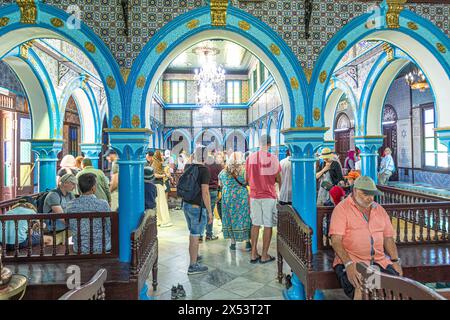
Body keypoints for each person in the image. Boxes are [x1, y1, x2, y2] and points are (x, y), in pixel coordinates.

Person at [329, 176, 402, 300]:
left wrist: (395, 261)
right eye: (366, 194)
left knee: (397, 287)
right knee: (364, 288)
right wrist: (348, 264)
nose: (370, 198)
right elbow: (336, 241)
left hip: (379, 262)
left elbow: (388, 238)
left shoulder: (379, 210)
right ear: (356, 191)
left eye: (372, 195)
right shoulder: (342, 209)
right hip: (354, 262)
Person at [246, 134, 281, 264]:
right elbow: (277, 177)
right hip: (268, 195)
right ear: (269, 144)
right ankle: (264, 255)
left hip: (254, 195)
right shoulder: (273, 158)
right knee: (268, 225)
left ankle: (253, 253)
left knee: (255, 224)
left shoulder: (250, 158)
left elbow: (246, 179)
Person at [180, 146, 213, 275]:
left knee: (192, 233)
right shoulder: (204, 170)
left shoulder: (188, 166)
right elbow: (205, 192)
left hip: (186, 205)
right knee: (195, 235)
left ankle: (195, 255)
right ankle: (192, 266)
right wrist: (210, 211)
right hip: (197, 208)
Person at [66, 173, 111, 254]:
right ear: (93, 188)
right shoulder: (103, 204)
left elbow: (70, 225)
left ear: (79, 188)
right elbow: (109, 226)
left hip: (80, 248)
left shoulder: (70, 205)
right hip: (103, 246)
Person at [219, 152, 251, 251]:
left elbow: (220, 184)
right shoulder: (244, 171)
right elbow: (248, 182)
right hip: (241, 197)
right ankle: (247, 242)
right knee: (244, 216)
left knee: (229, 218)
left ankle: (233, 243)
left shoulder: (223, 172)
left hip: (228, 197)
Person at [202, 152, 223, 241]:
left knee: (203, 211)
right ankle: (209, 234)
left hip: (203, 190)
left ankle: (199, 234)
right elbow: (221, 178)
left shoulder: (203, 166)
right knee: (210, 212)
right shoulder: (218, 166)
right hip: (214, 190)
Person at [152, 150, 172, 227]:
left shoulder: (158, 163)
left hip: (159, 185)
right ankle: (162, 219)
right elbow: (155, 175)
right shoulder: (155, 164)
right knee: (160, 203)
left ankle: (162, 219)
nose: (162, 156)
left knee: (161, 203)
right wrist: (164, 175)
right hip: (157, 185)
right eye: (161, 154)